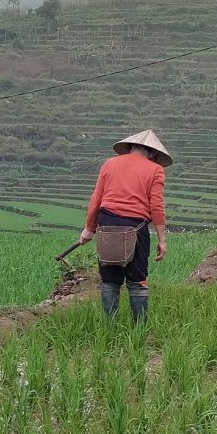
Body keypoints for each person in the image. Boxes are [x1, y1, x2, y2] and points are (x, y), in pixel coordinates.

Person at [79, 129, 170, 323]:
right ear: (153, 153)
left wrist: (89, 228)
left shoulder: (110, 163)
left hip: (107, 225)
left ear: (130, 147)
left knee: (110, 280)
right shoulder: (155, 170)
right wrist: (162, 239)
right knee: (137, 281)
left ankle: (109, 327)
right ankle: (139, 330)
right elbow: (156, 206)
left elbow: (96, 198)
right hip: (136, 227)